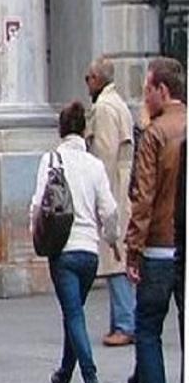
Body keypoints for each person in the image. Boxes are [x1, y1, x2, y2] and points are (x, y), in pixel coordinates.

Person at [33, 100, 118, 383]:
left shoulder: (51, 160)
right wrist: (112, 239)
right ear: (84, 130)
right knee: (75, 312)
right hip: (90, 252)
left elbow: (37, 205)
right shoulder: (95, 165)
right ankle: (64, 374)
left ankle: (91, 378)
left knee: (73, 313)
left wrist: (37, 235)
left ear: (61, 129)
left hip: (64, 251)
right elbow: (109, 210)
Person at [124, 56, 186, 383]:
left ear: (163, 91)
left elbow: (143, 197)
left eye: (147, 90)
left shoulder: (155, 134)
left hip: (160, 247)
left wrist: (134, 250)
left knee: (148, 327)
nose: (144, 98)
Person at [84, 57, 136, 347]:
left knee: (115, 255)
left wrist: (97, 193)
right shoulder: (117, 102)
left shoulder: (103, 108)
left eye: (89, 78)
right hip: (121, 184)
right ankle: (122, 320)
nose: (87, 83)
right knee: (118, 254)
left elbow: (104, 154)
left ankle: (125, 322)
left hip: (114, 187)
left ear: (98, 80)